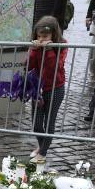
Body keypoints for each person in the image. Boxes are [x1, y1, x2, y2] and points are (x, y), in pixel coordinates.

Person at [28, 16, 67, 163]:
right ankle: (41, 145)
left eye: (45, 36)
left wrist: (49, 49)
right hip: (37, 87)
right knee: (36, 123)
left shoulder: (62, 46)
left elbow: (55, 66)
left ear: (53, 35)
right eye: (39, 36)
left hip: (55, 88)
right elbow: (29, 65)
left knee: (49, 121)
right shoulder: (36, 45)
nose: (41, 39)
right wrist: (34, 50)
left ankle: (43, 153)